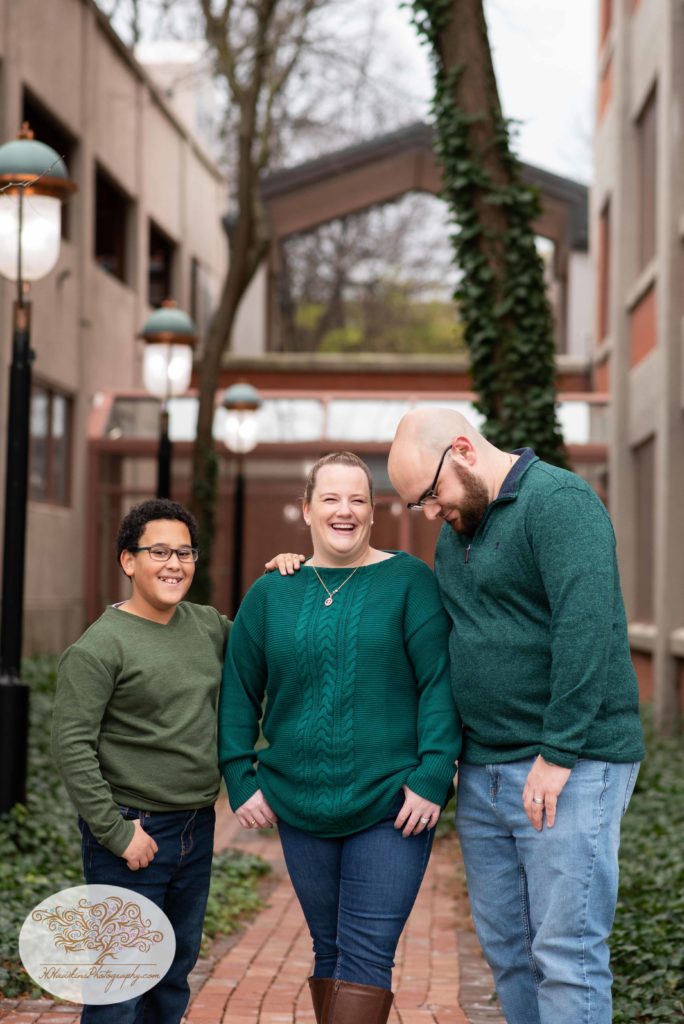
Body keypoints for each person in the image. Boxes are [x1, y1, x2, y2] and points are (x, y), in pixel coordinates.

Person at [385, 409, 645, 1024]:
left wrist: (557, 753)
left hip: (569, 766)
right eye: (420, 503)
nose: (430, 512)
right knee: (509, 954)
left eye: (431, 494)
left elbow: (586, 628)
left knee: (566, 954)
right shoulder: (459, 529)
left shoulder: (559, 503)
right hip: (484, 772)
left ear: (462, 450)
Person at [219, 451, 461, 1024]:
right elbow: (238, 689)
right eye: (330, 498)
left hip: (391, 805)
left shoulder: (408, 582)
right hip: (300, 804)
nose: (344, 510)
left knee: (366, 954)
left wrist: (433, 774)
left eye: (357, 499)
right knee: (328, 950)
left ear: (373, 512)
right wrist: (238, 775)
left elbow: (440, 681)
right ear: (307, 510)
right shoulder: (272, 592)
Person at [52, 498, 230, 1024]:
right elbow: (72, 746)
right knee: (121, 985)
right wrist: (115, 832)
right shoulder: (99, 647)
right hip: (134, 833)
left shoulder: (207, 626)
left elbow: (269, 638)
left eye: (185, 552)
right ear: (128, 561)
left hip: (196, 825)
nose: (175, 564)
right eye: (159, 552)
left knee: (172, 975)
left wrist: (290, 573)